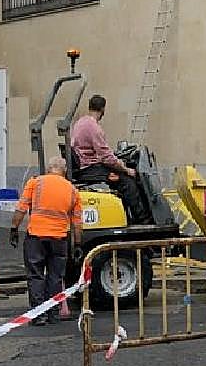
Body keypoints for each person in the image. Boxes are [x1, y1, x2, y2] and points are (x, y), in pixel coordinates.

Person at [9, 158, 82, 326]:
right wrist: (77, 244)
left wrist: (14, 228)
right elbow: (77, 221)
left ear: (49, 169)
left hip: (36, 237)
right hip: (59, 239)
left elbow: (21, 207)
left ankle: (38, 315)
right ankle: (53, 314)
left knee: (35, 275)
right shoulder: (72, 190)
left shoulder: (35, 183)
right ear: (64, 171)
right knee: (55, 277)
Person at [70, 95, 152, 224]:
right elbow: (106, 157)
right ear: (103, 109)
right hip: (91, 169)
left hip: (84, 166)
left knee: (121, 176)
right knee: (128, 182)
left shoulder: (80, 123)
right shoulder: (94, 128)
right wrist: (126, 169)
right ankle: (143, 220)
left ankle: (128, 214)